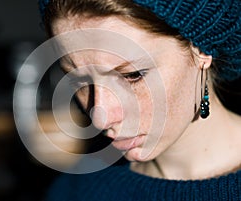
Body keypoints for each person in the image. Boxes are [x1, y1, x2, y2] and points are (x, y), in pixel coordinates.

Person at [38, 0, 241, 200]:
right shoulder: (76, 191)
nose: (101, 118)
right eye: (79, 80)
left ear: (202, 51)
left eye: (132, 75)